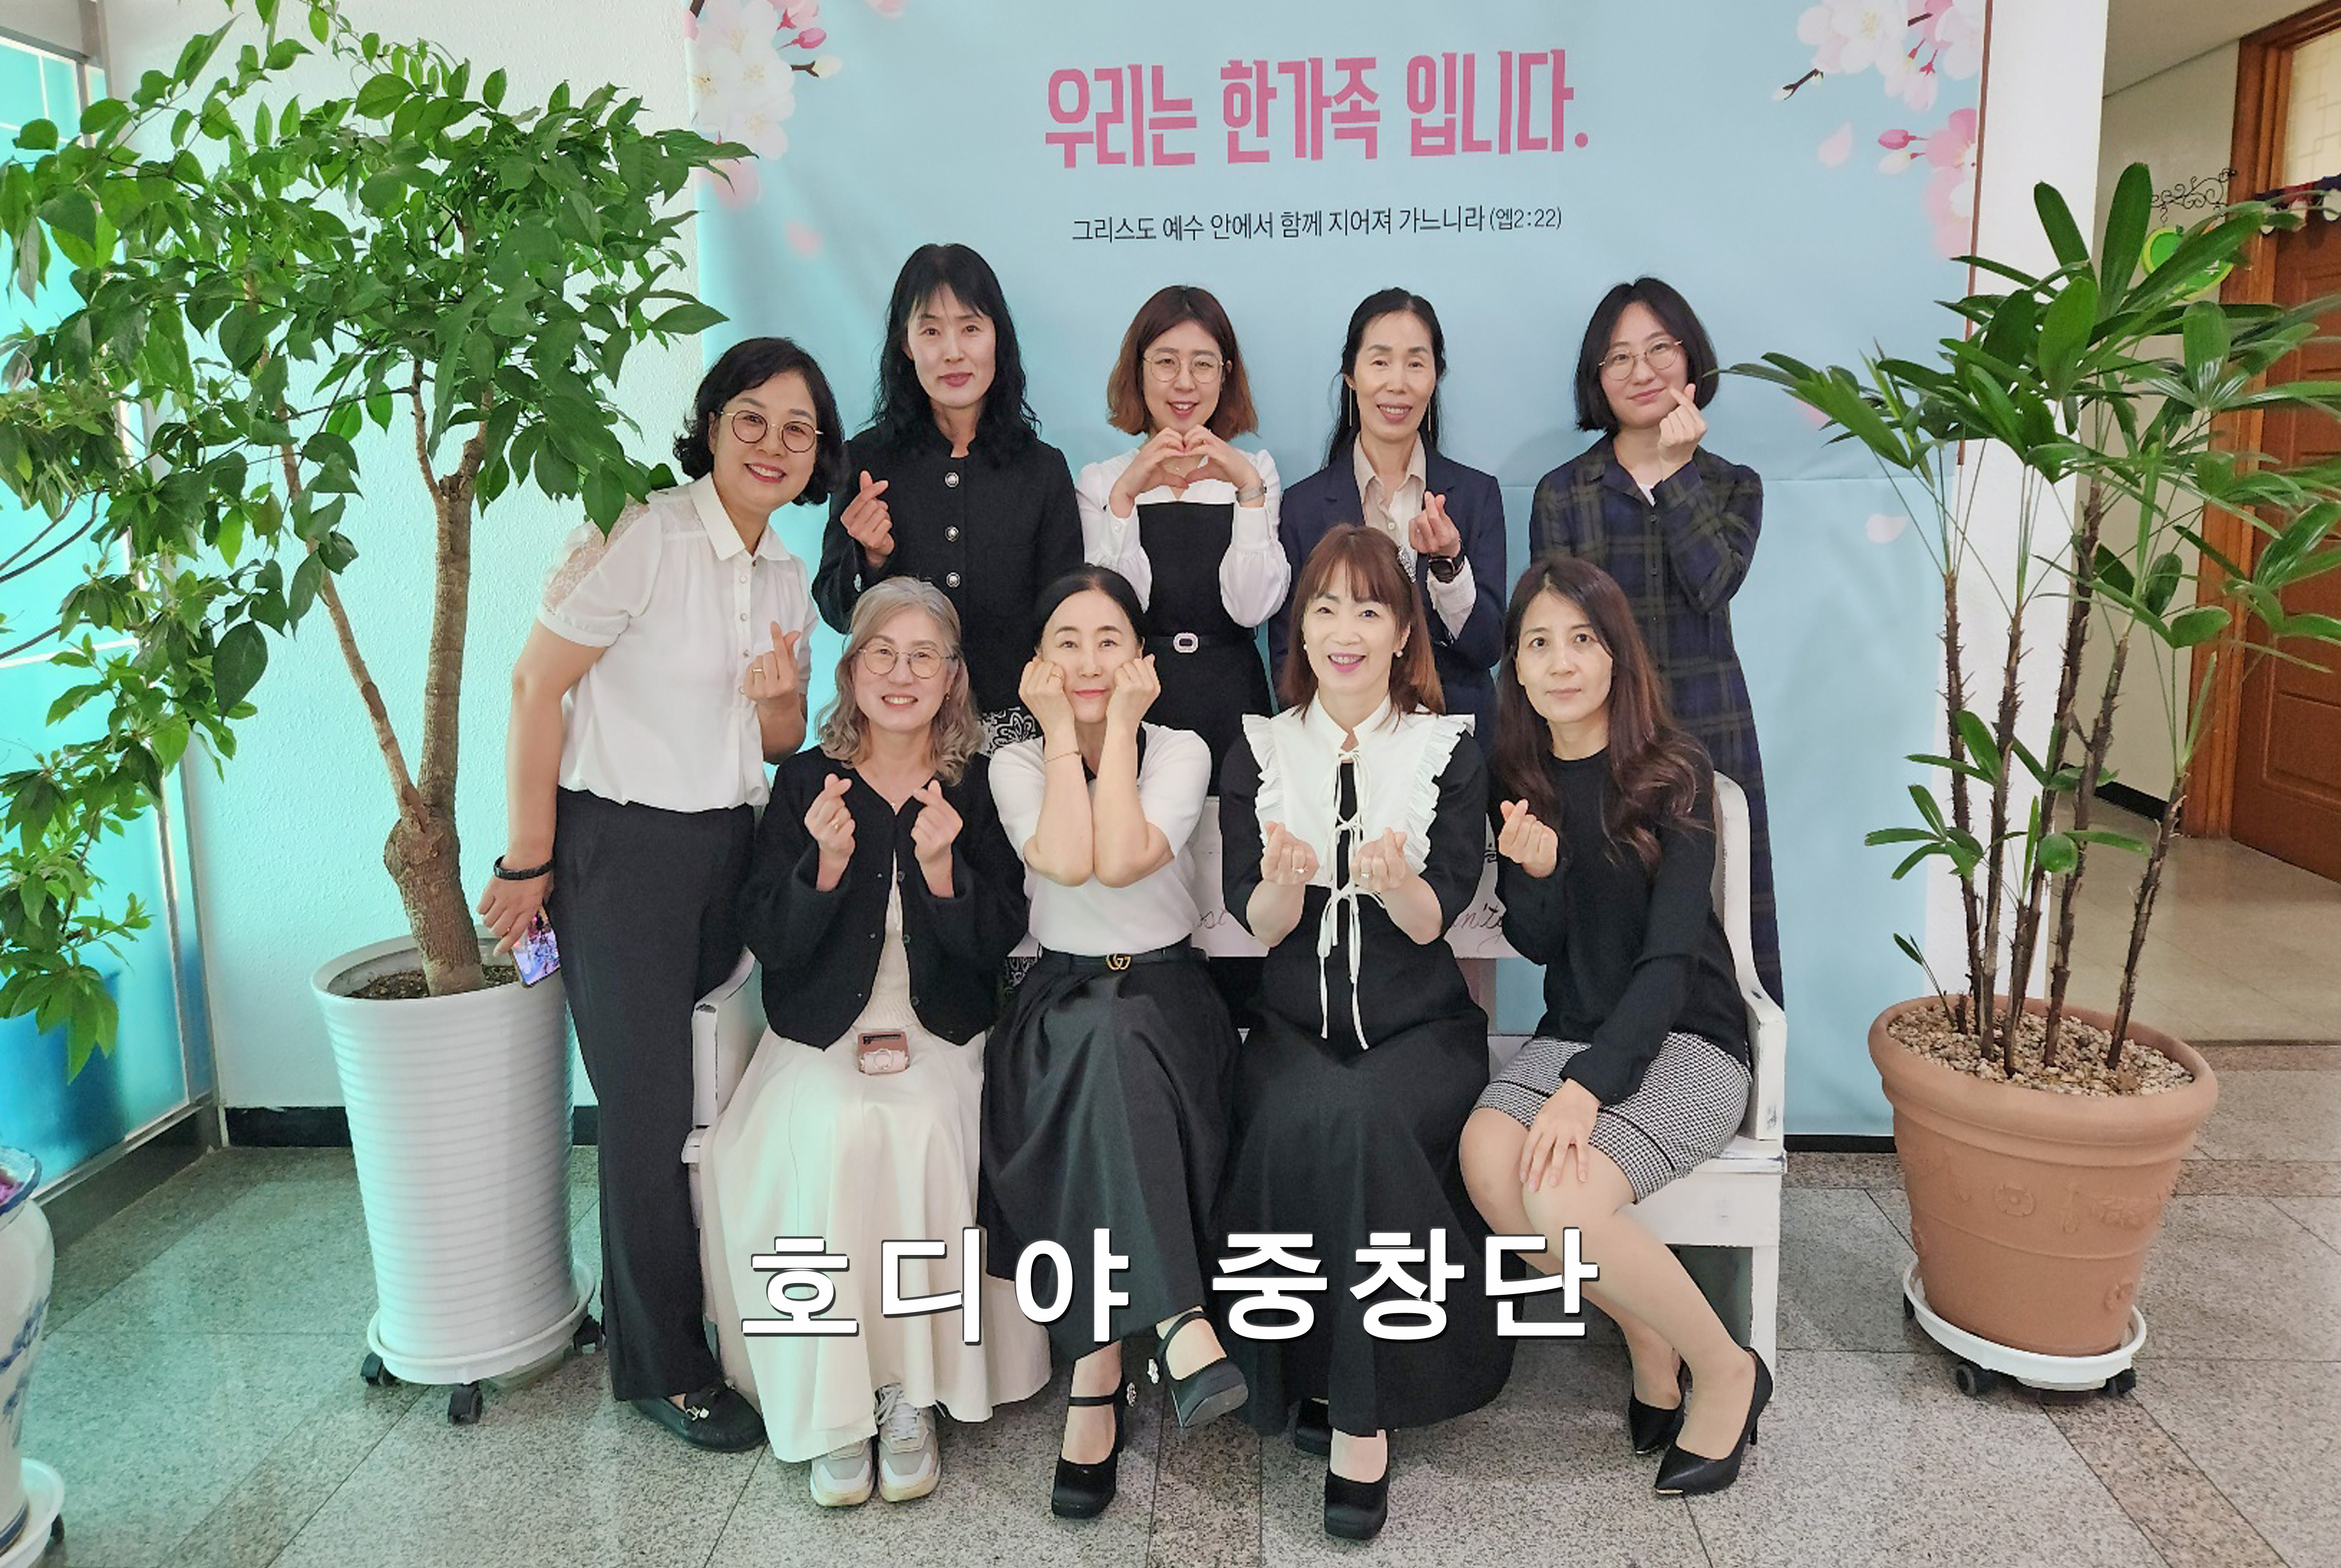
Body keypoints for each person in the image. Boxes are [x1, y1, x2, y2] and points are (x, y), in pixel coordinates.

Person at [475, 337, 832, 1451]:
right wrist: (528, 856)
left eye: (798, 429)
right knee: (644, 1112)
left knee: (710, 1089)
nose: (774, 444)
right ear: (711, 425)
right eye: (752, 419)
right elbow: (535, 684)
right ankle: (662, 1367)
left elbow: (777, 741)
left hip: (730, 848)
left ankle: (700, 1316)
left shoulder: (784, 573)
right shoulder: (642, 531)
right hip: (620, 852)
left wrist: (779, 699)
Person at [703, 578, 1049, 1506]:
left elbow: (997, 938)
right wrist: (821, 868)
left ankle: (908, 1395)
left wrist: (942, 870)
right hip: (820, 1032)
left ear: (953, 677)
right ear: (852, 670)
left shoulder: (977, 783)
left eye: (924, 656)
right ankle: (837, 1408)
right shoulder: (805, 782)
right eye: (882, 654)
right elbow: (768, 937)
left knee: (921, 1127)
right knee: (834, 1131)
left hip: (939, 1029)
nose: (902, 673)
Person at [1216, 525, 1513, 1543]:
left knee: (1364, 1117)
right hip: (1291, 1028)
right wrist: (1280, 881)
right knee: (1305, 1110)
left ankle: (1360, 1414)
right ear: (1301, 628)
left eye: (1371, 608)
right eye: (1327, 607)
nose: (1346, 629)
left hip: (1419, 1031)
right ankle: (1319, 1372)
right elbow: (1259, 924)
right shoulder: (1261, 749)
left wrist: (1397, 884)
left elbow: (1437, 923)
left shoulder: (1444, 750)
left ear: (1401, 634)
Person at [1460, 554, 1766, 1497]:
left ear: (1615, 655)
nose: (1560, 663)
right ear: (1516, 666)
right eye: (1538, 644)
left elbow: (1670, 960)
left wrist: (1587, 1088)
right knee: (1485, 1162)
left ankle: (1726, 1370)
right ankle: (1646, 1337)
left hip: (1687, 1037)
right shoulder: (1519, 776)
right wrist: (1536, 872)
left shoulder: (1673, 771)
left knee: (1561, 1201)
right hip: (1575, 1028)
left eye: (1581, 640)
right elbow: (1542, 943)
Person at [979, 566, 1246, 1521]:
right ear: (1036, 664)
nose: (1088, 661)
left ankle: (1097, 1376)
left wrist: (1122, 728)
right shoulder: (1015, 759)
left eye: (1108, 641)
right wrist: (1061, 733)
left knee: (1119, 1037)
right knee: (1102, 1036)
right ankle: (1177, 1319)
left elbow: (1124, 859)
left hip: (1170, 995)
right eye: (1067, 642)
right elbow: (1062, 859)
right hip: (1060, 997)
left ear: (1141, 659)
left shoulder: (1178, 749)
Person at [1528, 277, 1781, 1001]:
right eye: (1618, 357)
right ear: (1596, 376)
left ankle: (1726, 1056)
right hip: (1600, 738)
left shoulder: (1732, 485)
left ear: (1689, 359)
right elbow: (1552, 637)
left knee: (1723, 917)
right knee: (1609, 924)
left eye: (1659, 349)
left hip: (1707, 723)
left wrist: (1676, 475)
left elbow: (1713, 585)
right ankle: (1608, 1053)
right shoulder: (1563, 492)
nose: (1640, 371)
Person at [814, 242, 1083, 750]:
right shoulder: (866, 460)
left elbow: (1065, 616)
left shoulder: (1042, 468)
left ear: (998, 338)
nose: (953, 352)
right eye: (932, 331)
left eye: (971, 328)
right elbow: (836, 611)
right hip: (898, 734)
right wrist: (870, 559)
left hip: (1018, 738)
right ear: (906, 344)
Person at [1274, 288, 1505, 743]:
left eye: (1416, 364)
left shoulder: (1476, 496)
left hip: (1453, 740)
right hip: (1341, 744)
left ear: (1436, 376)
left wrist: (1450, 566)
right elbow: (1290, 657)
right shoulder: (1303, 507)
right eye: (1380, 362)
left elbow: (1486, 648)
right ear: (1351, 375)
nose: (1398, 383)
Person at [1075, 284, 1286, 773]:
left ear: (1225, 374)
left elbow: (1252, 607)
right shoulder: (1102, 481)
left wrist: (1247, 489)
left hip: (1233, 695)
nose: (1185, 383)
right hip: (1135, 697)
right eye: (1166, 362)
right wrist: (1125, 498)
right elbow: (1112, 616)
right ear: (1139, 370)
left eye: (1203, 364)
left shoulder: (1255, 470)